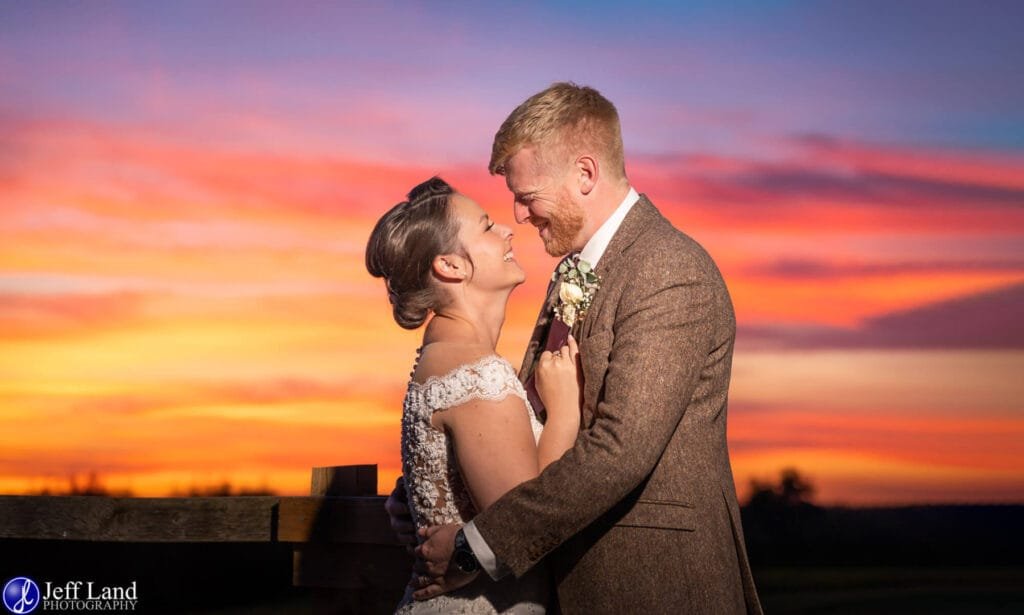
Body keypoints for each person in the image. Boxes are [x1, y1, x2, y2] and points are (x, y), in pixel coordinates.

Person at [410, 83, 763, 613]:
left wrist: (473, 547)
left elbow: (621, 451)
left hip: (655, 585)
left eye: (527, 197)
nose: (520, 216)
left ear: (585, 174)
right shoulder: (571, 274)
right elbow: (518, 423)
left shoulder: (669, 270)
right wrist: (434, 485)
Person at [366, 176, 584, 613]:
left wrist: (409, 493)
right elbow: (524, 527)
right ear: (451, 266)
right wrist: (564, 413)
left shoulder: (443, 357)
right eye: (486, 226)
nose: (506, 229)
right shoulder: (476, 376)